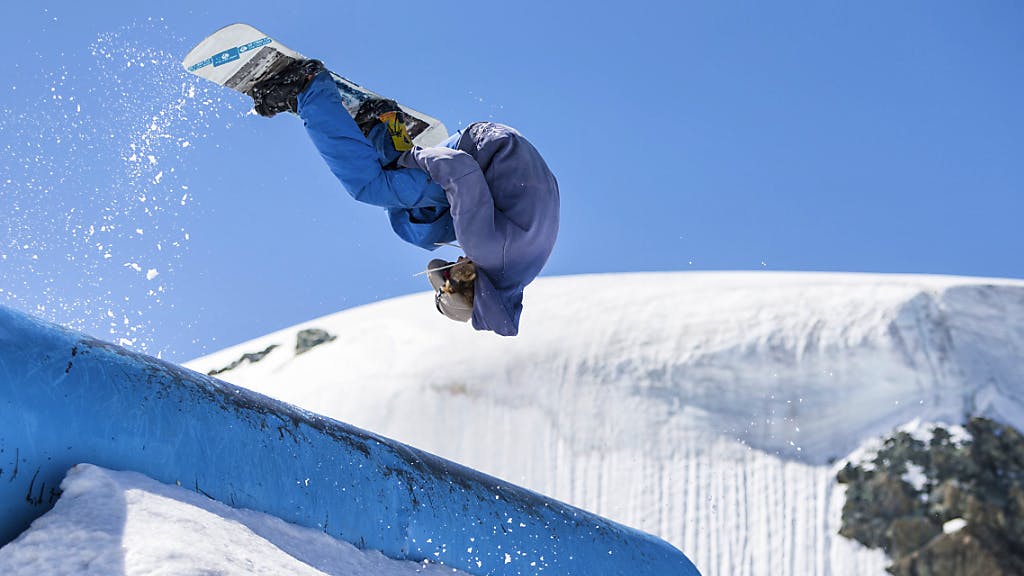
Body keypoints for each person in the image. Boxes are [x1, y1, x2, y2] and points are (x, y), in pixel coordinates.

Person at [249, 59, 559, 337]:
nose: (457, 262)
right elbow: (460, 170)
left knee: (425, 230)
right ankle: (307, 86)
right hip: (482, 153)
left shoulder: (514, 273)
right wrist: (413, 158)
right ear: (467, 277)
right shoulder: (487, 250)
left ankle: (385, 124)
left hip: (499, 155)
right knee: (370, 186)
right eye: (453, 273)